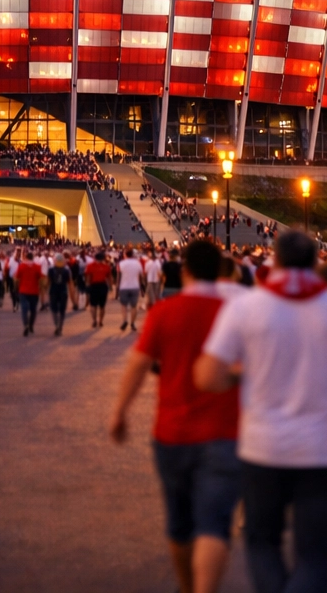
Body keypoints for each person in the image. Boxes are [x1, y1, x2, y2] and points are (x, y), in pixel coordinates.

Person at [195, 230, 327, 593]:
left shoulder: (247, 307)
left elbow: (208, 376)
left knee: (262, 541)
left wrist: (240, 377)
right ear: (316, 262)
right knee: (314, 555)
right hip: (322, 449)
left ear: (276, 260)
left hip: (263, 447)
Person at [110, 240, 241, 593]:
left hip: (174, 431)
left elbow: (139, 364)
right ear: (222, 271)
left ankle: (187, 585)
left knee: (180, 524)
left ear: (184, 272)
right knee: (214, 523)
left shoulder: (165, 312)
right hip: (225, 431)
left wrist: (120, 412)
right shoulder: (238, 312)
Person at [15, 251, 43, 337]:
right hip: (34, 291)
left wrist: (16, 288)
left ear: (26, 258)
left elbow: (16, 278)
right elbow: (41, 278)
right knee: (33, 310)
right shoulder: (37, 267)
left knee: (24, 309)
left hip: (23, 291)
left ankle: (25, 325)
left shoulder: (21, 266)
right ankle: (31, 325)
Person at [117, 248, 144, 332]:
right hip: (135, 286)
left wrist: (117, 287)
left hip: (124, 286)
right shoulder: (137, 263)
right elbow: (141, 276)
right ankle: (132, 323)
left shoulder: (121, 263)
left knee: (123, 305)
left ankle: (125, 320)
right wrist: (142, 287)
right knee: (133, 306)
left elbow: (118, 276)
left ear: (125, 255)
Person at [85, 252, 112, 329]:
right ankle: (100, 321)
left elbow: (88, 278)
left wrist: (87, 286)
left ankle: (94, 320)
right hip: (103, 286)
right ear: (103, 258)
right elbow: (109, 278)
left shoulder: (90, 266)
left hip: (93, 286)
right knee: (102, 306)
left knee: (93, 305)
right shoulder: (106, 267)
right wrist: (111, 288)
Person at [48, 253, 73, 335]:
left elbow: (48, 282)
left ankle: (56, 325)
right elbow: (70, 283)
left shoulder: (51, 270)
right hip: (63, 291)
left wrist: (45, 291)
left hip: (53, 291)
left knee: (54, 310)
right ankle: (60, 326)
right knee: (62, 311)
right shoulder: (66, 270)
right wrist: (72, 294)